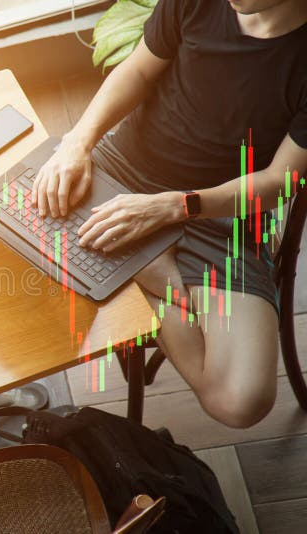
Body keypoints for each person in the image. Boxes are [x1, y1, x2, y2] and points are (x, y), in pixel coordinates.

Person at [31, 0, 307, 428]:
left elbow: (276, 183)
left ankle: (143, 270)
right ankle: (150, 269)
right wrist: (76, 143)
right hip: (125, 172)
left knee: (241, 401)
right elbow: (139, 71)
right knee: (15, 222)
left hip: (222, 213)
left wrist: (173, 208)